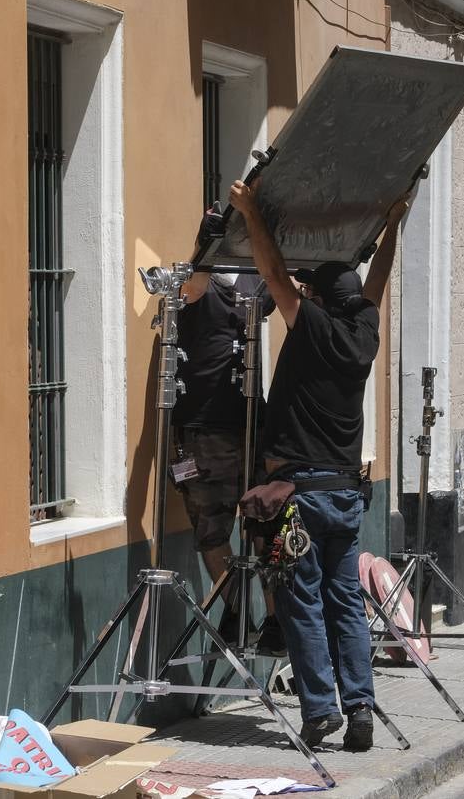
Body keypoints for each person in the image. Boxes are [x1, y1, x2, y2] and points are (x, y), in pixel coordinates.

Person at [227, 176, 410, 752]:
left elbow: (276, 276)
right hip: (346, 497)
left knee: (303, 605)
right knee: (347, 603)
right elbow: (375, 283)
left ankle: (319, 709)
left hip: (302, 496)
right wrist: (392, 225)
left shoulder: (313, 326)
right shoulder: (363, 333)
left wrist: (252, 211)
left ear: (320, 301)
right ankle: (359, 709)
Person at [175, 205, 277, 645]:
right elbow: (191, 287)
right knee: (211, 530)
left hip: (252, 426)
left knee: (265, 525)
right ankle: (236, 609)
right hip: (204, 429)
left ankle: (274, 620)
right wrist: (207, 245)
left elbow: (282, 285)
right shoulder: (200, 282)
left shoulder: (254, 284)